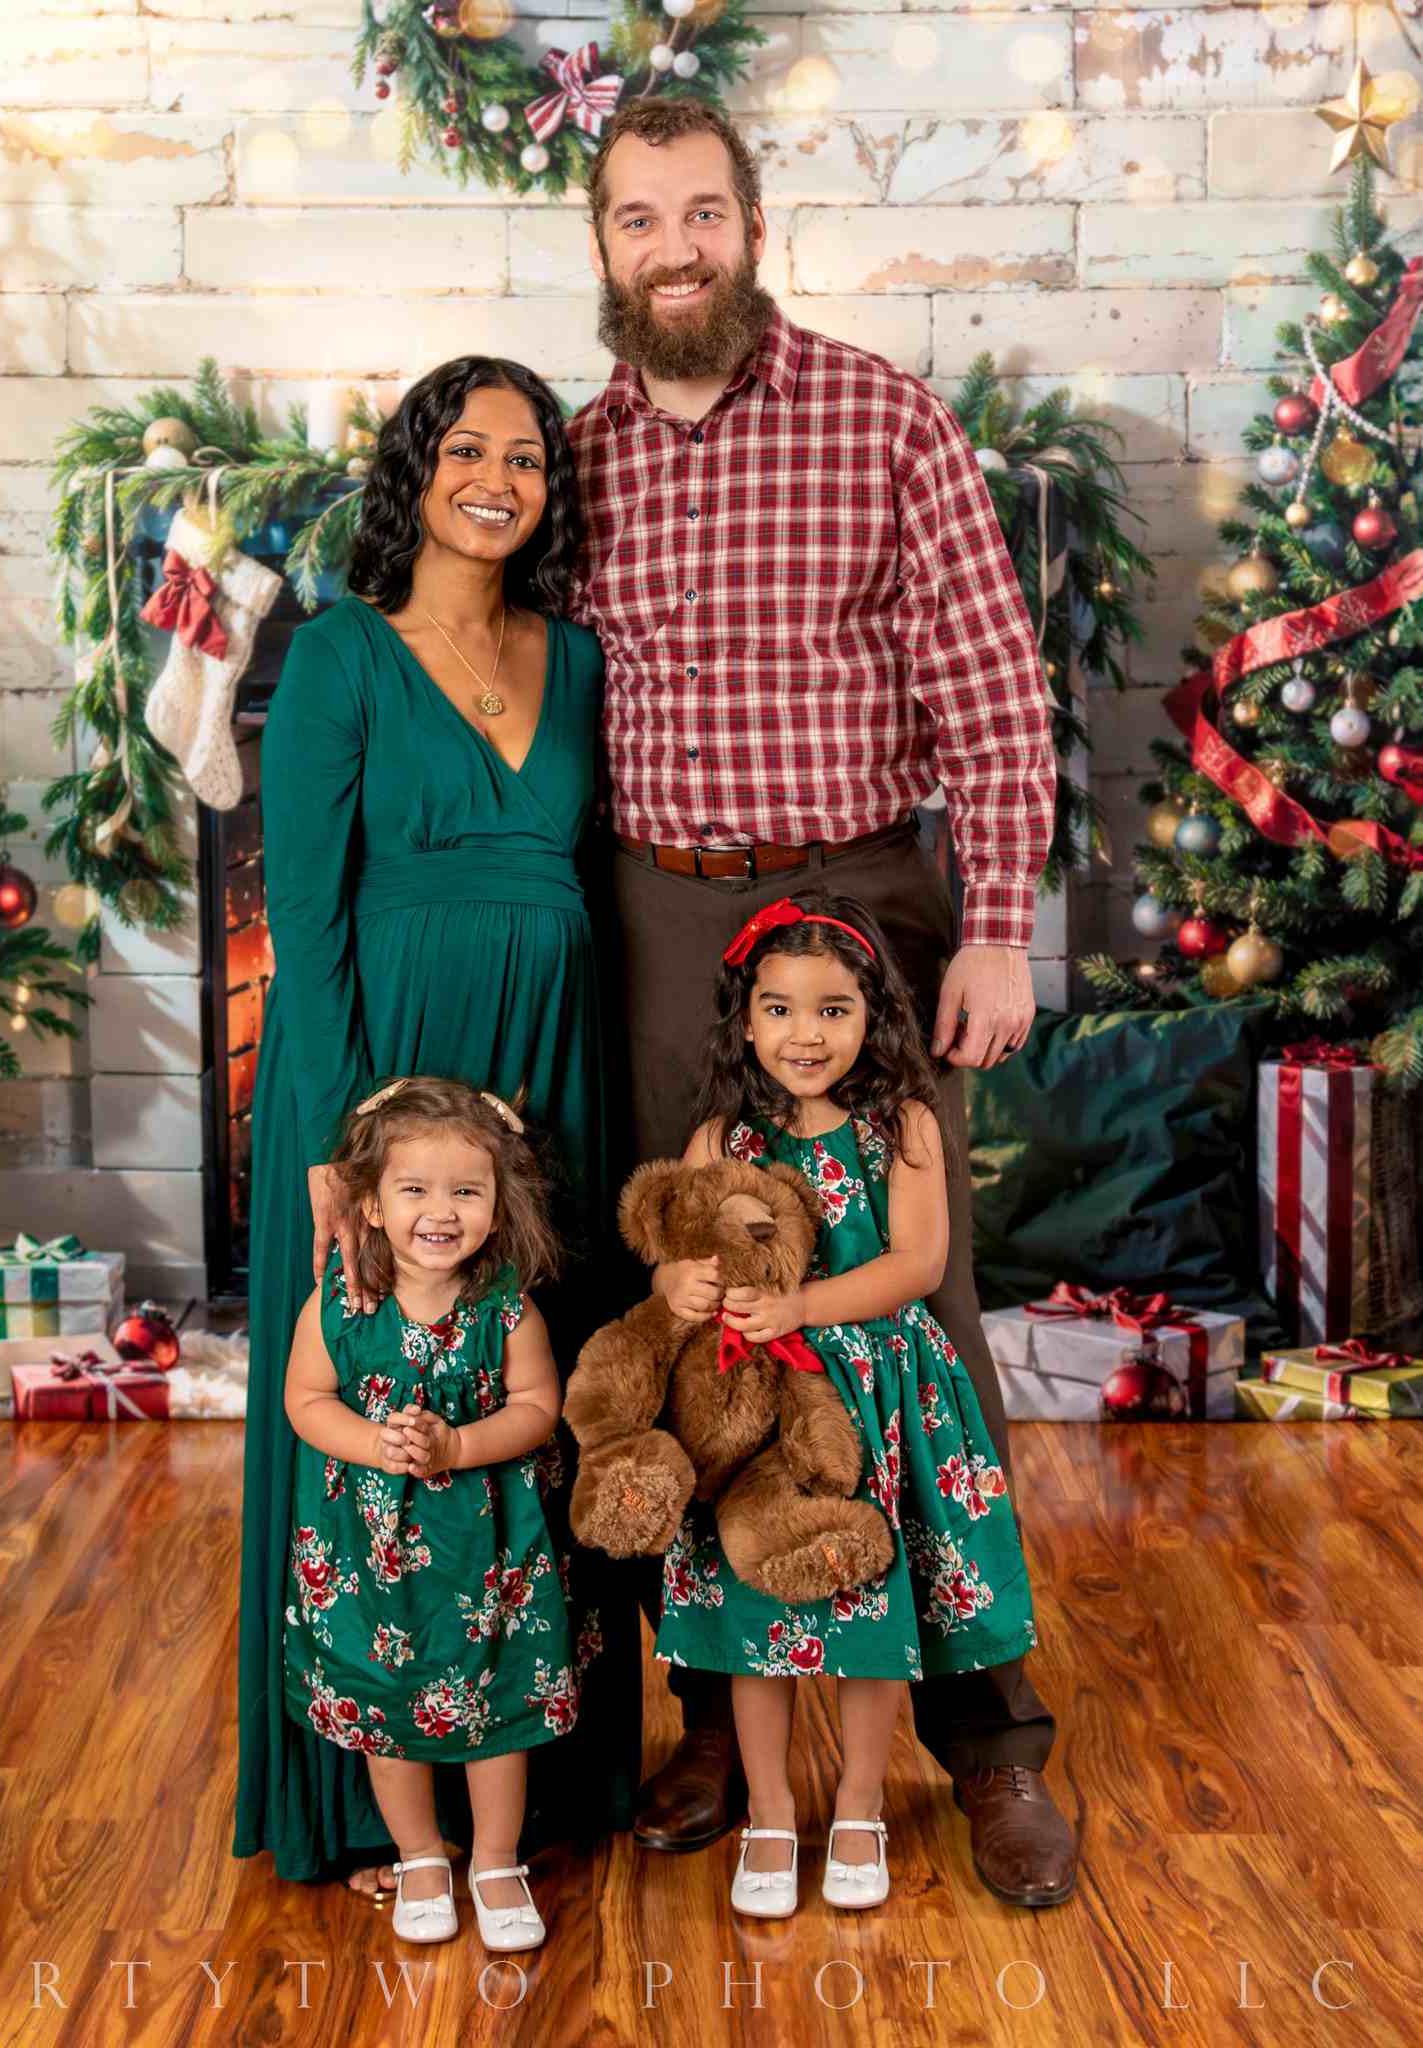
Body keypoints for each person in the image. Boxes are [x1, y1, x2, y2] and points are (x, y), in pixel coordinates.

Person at [567, 96, 1079, 1906]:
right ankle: (721, 1714)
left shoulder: (876, 415)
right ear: (603, 248)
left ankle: (987, 1727)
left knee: (905, 1305)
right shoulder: (574, 457)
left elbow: (992, 690)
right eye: (639, 219)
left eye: (701, 209)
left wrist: (996, 924)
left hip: (858, 889)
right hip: (653, 912)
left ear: (752, 224)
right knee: (707, 1305)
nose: (674, 244)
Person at [235, 356, 640, 1899]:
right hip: (380, 1067)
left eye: (526, 455)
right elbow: (306, 905)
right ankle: (361, 1810)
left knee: (536, 1393)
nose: (497, 476)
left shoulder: (582, 658)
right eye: (464, 447)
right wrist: (345, 1140)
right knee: (369, 1418)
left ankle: (545, 1778)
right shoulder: (342, 657)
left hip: (548, 1076)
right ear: (413, 471)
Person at [650, 893, 1036, 1918]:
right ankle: (772, 1809)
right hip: (762, 1412)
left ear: (875, 1016)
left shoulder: (897, 1124)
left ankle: (860, 1801)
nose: (803, 1033)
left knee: (874, 1612)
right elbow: (685, 1259)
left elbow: (918, 1263)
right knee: (755, 1621)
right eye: (776, 1008)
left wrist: (800, 1305)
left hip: (876, 1399)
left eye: (831, 1009)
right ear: (743, 1018)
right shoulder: (719, 1137)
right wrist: (680, 1289)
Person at [284, 1077, 577, 1950]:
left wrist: (455, 1448)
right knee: (386, 1706)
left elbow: (537, 1406)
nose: (439, 1211)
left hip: (490, 1548)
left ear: (498, 1203)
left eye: (465, 1191)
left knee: (498, 1704)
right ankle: (417, 1854)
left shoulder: (505, 1307)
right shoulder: (338, 1302)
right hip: (367, 1550)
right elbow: (306, 1399)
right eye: (413, 1190)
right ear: (368, 1206)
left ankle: (494, 1859)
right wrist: (375, 1444)